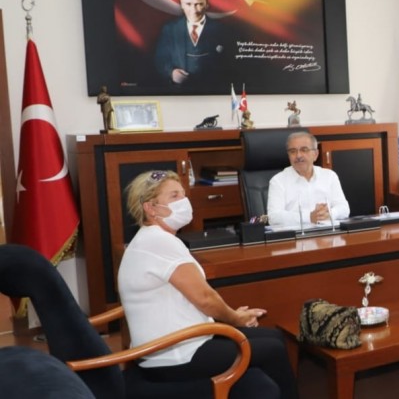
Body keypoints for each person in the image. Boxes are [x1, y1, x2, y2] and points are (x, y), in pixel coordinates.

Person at [118, 170, 298, 399]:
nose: (183, 201)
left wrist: (233, 317)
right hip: (175, 355)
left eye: (183, 194)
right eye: (174, 196)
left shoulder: (149, 239)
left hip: (177, 343)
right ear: (151, 208)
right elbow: (205, 298)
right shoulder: (159, 241)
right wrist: (235, 318)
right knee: (273, 350)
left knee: (273, 338)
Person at [154, 0, 232, 87]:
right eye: (188, 4)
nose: (194, 10)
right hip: (179, 92)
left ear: (206, 4)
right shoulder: (169, 29)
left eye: (198, 4)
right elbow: (160, 60)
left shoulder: (222, 30)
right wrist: (171, 73)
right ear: (181, 4)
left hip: (212, 92)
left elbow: (231, 65)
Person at [267, 131, 350, 226]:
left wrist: (329, 214)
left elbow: (344, 208)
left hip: (327, 233)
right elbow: (273, 217)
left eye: (304, 150)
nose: (298, 155)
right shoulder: (278, 181)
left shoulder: (329, 176)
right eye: (293, 151)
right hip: (296, 234)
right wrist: (309, 217)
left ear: (315, 154)